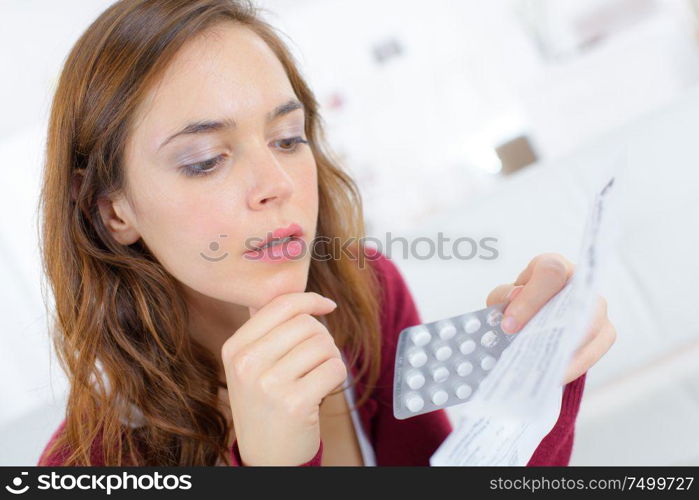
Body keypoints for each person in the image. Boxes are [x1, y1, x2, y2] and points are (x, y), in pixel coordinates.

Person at [36, 0, 616, 467]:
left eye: (288, 138)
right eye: (207, 159)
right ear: (113, 211)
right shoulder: (87, 465)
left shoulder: (369, 293)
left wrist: (537, 384)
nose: (276, 182)